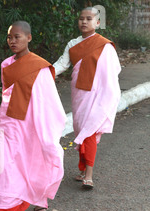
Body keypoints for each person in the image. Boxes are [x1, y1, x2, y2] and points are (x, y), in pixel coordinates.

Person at [0, 21, 66, 211]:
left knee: (35, 159)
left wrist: (45, 128)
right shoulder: (6, 64)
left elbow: (48, 100)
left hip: (33, 122)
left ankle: (39, 196)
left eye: (17, 37)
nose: (12, 41)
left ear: (29, 38)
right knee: (8, 165)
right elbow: (7, 95)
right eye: (9, 37)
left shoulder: (40, 67)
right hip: (10, 121)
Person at [53, 7, 121, 189]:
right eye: (81, 19)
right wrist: (44, 73)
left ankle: (88, 175)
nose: (84, 22)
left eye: (89, 18)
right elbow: (62, 64)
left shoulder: (105, 45)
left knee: (89, 132)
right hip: (79, 94)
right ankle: (83, 170)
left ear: (97, 23)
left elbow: (113, 71)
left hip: (98, 95)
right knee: (81, 130)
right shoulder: (73, 44)